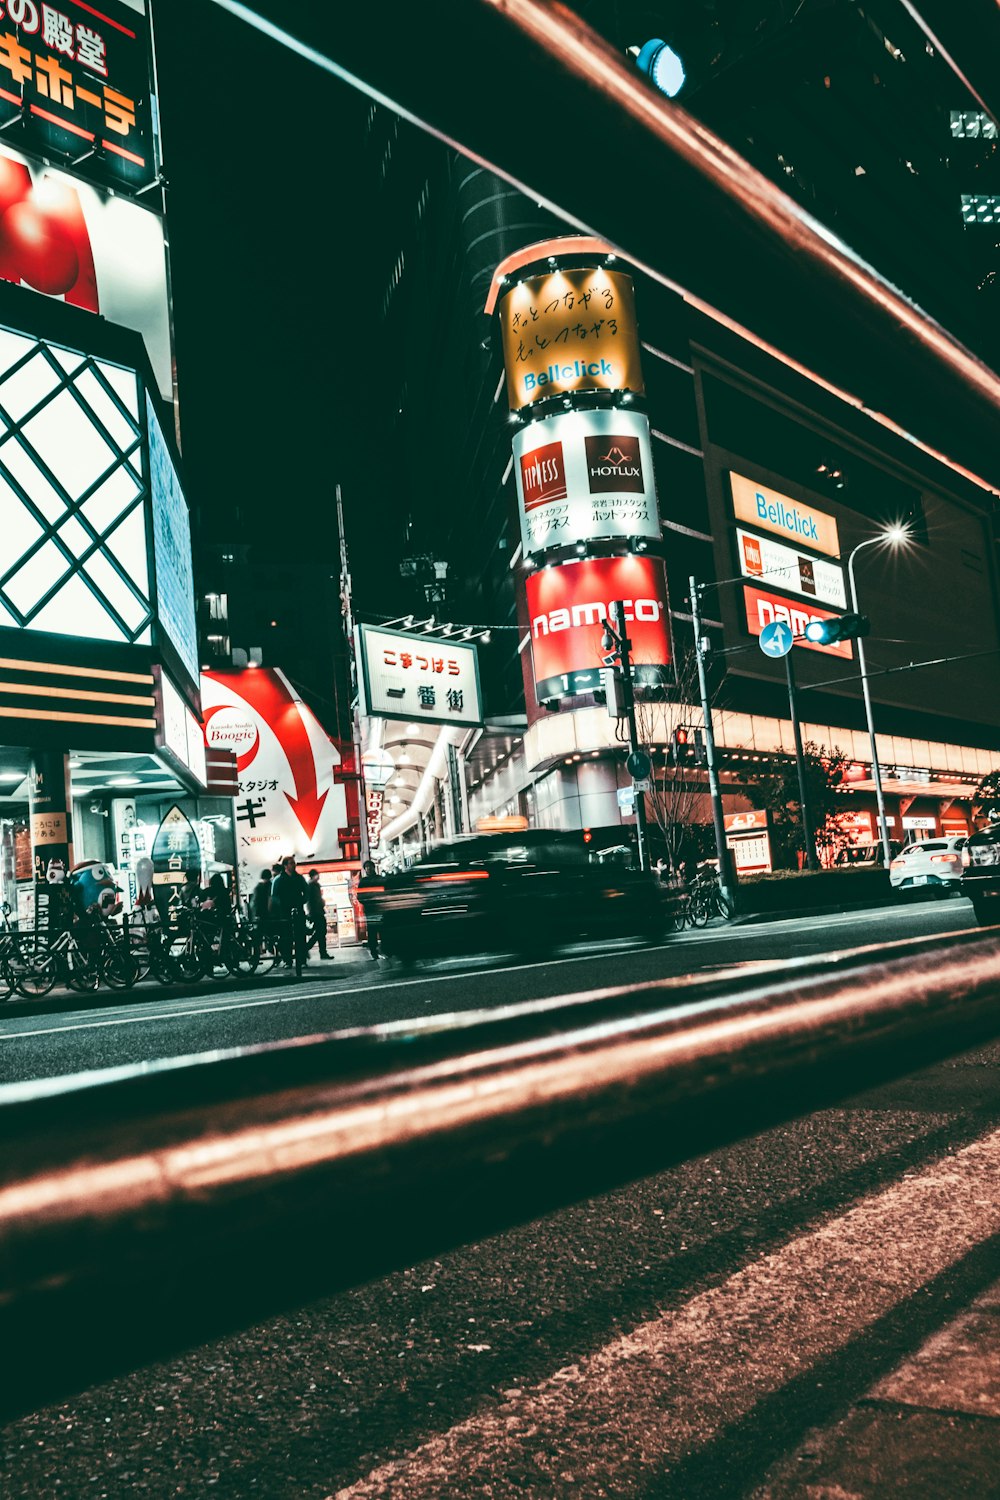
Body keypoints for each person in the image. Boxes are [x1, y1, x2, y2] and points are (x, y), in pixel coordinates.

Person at [271, 855, 310, 976]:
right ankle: (287, 960)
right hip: (284, 911)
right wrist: (282, 905)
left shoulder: (299, 878)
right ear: (285, 865)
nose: (293, 865)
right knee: (285, 936)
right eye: (291, 863)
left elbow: (307, 892)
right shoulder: (279, 879)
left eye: (294, 863)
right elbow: (274, 896)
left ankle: (301, 959)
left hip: (298, 909)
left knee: (300, 935)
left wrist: (301, 901)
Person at [305, 869, 330, 959]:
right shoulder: (312, 885)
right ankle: (306, 948)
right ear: (313, 876)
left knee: (320, 932)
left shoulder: (314, 885)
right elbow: (312, 900)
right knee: (321, 932)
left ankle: (322, 952)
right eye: (317, 875)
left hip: (317, 911)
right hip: (316, 912)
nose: (318, 876)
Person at [359, 858, 381, 960]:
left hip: (379, 909)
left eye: (369, 867)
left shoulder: (379, 879)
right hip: (371, 910)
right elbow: (360, 896)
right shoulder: (363, 881)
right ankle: (374, 950)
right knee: (372, 931)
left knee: (381, 929)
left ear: (373, 868)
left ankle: (383, 948)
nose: (368, 869)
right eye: (366, 867)